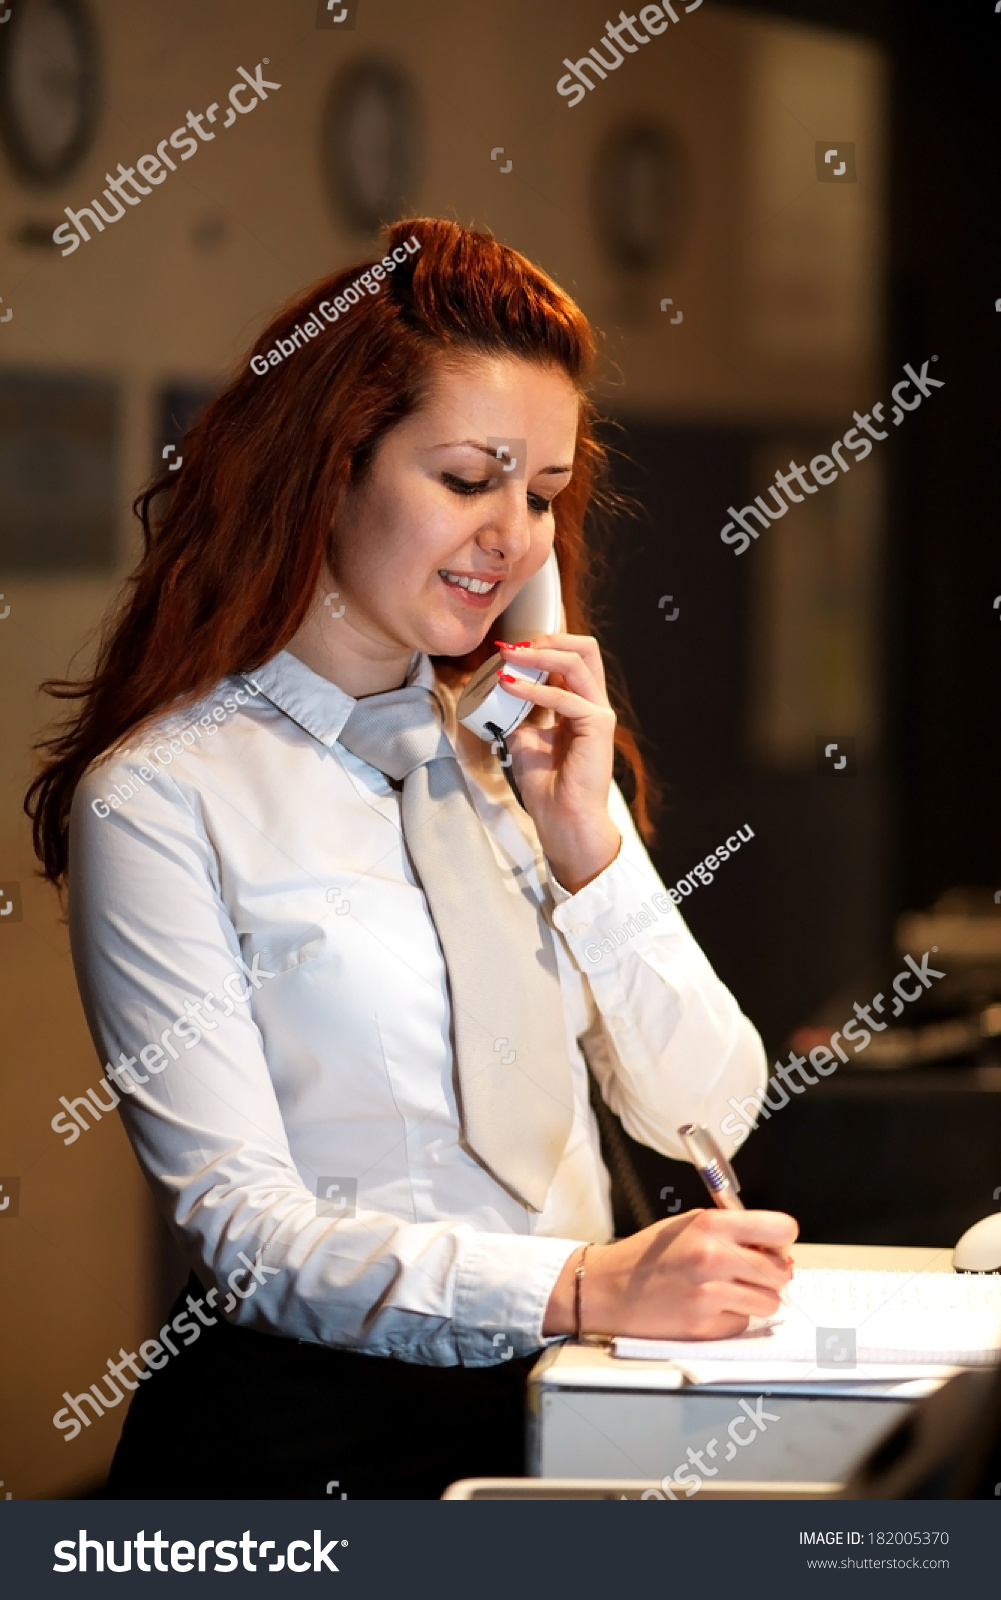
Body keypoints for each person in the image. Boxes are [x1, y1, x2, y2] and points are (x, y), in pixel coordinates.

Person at [27, 218, 797, 1499]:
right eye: (465, 478)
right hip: (319, 1447)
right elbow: (247, 1232)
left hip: (567, 1415)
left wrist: (589, 846)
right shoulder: (164, 798)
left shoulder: (515, 766)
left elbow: (706, 1118)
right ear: (332, 471)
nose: (513, 538)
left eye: (542, 494)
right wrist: (576, 1282)